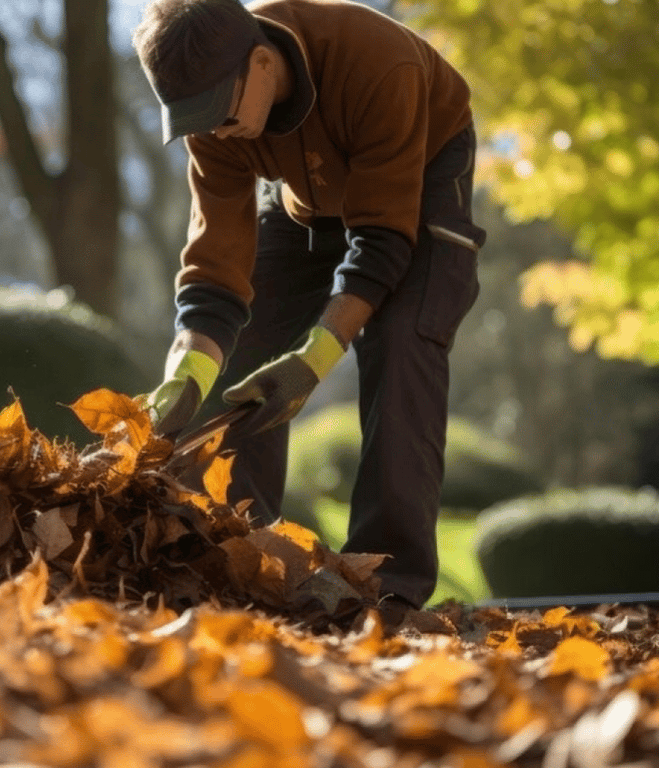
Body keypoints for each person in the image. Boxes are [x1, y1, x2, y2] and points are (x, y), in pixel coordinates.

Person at [134, 0, 486, 613]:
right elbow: (217, 265)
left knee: (403, 342)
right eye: (194, 121)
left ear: (264, 63)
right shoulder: (214, 121)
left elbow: (380, 242)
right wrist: (184, 377)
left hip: (419, 180)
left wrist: (313, 360)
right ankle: (240, 563)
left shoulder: (380, 66)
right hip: (305, 197)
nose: (212, 131)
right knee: (244, 350)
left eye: (218, 113)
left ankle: (387, 588)